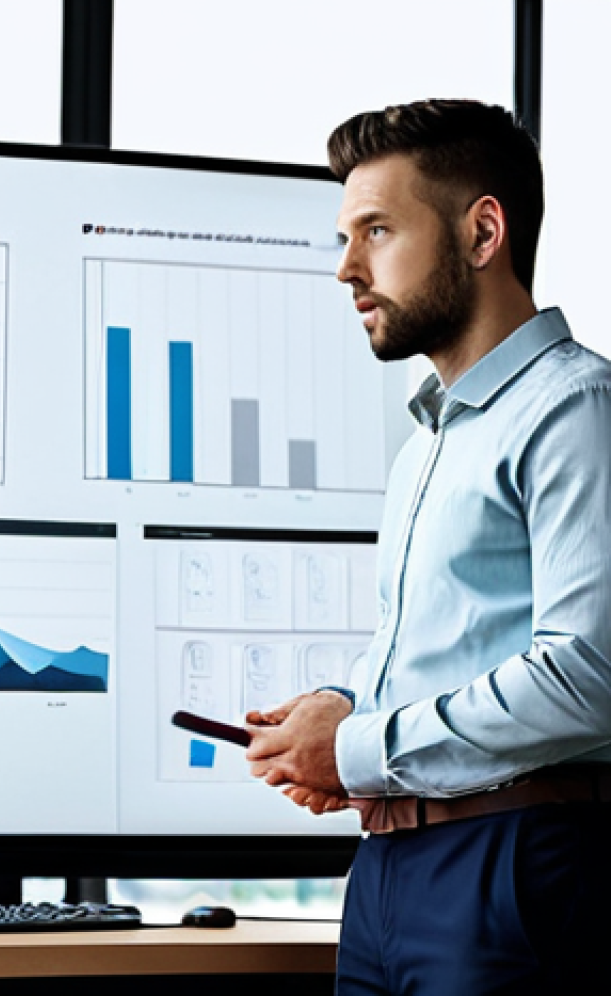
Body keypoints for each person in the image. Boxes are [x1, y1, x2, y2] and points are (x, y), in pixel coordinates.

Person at [245, 99, 611, 995]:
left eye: (376, 230)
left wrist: (360, 747)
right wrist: (338, 707)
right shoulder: (428, 442)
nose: (346, 268)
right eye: (345, 235)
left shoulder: (576, 412)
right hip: (388, 872)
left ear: (483, 231)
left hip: (513, 864)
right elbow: (442, 638)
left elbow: (589, 675)